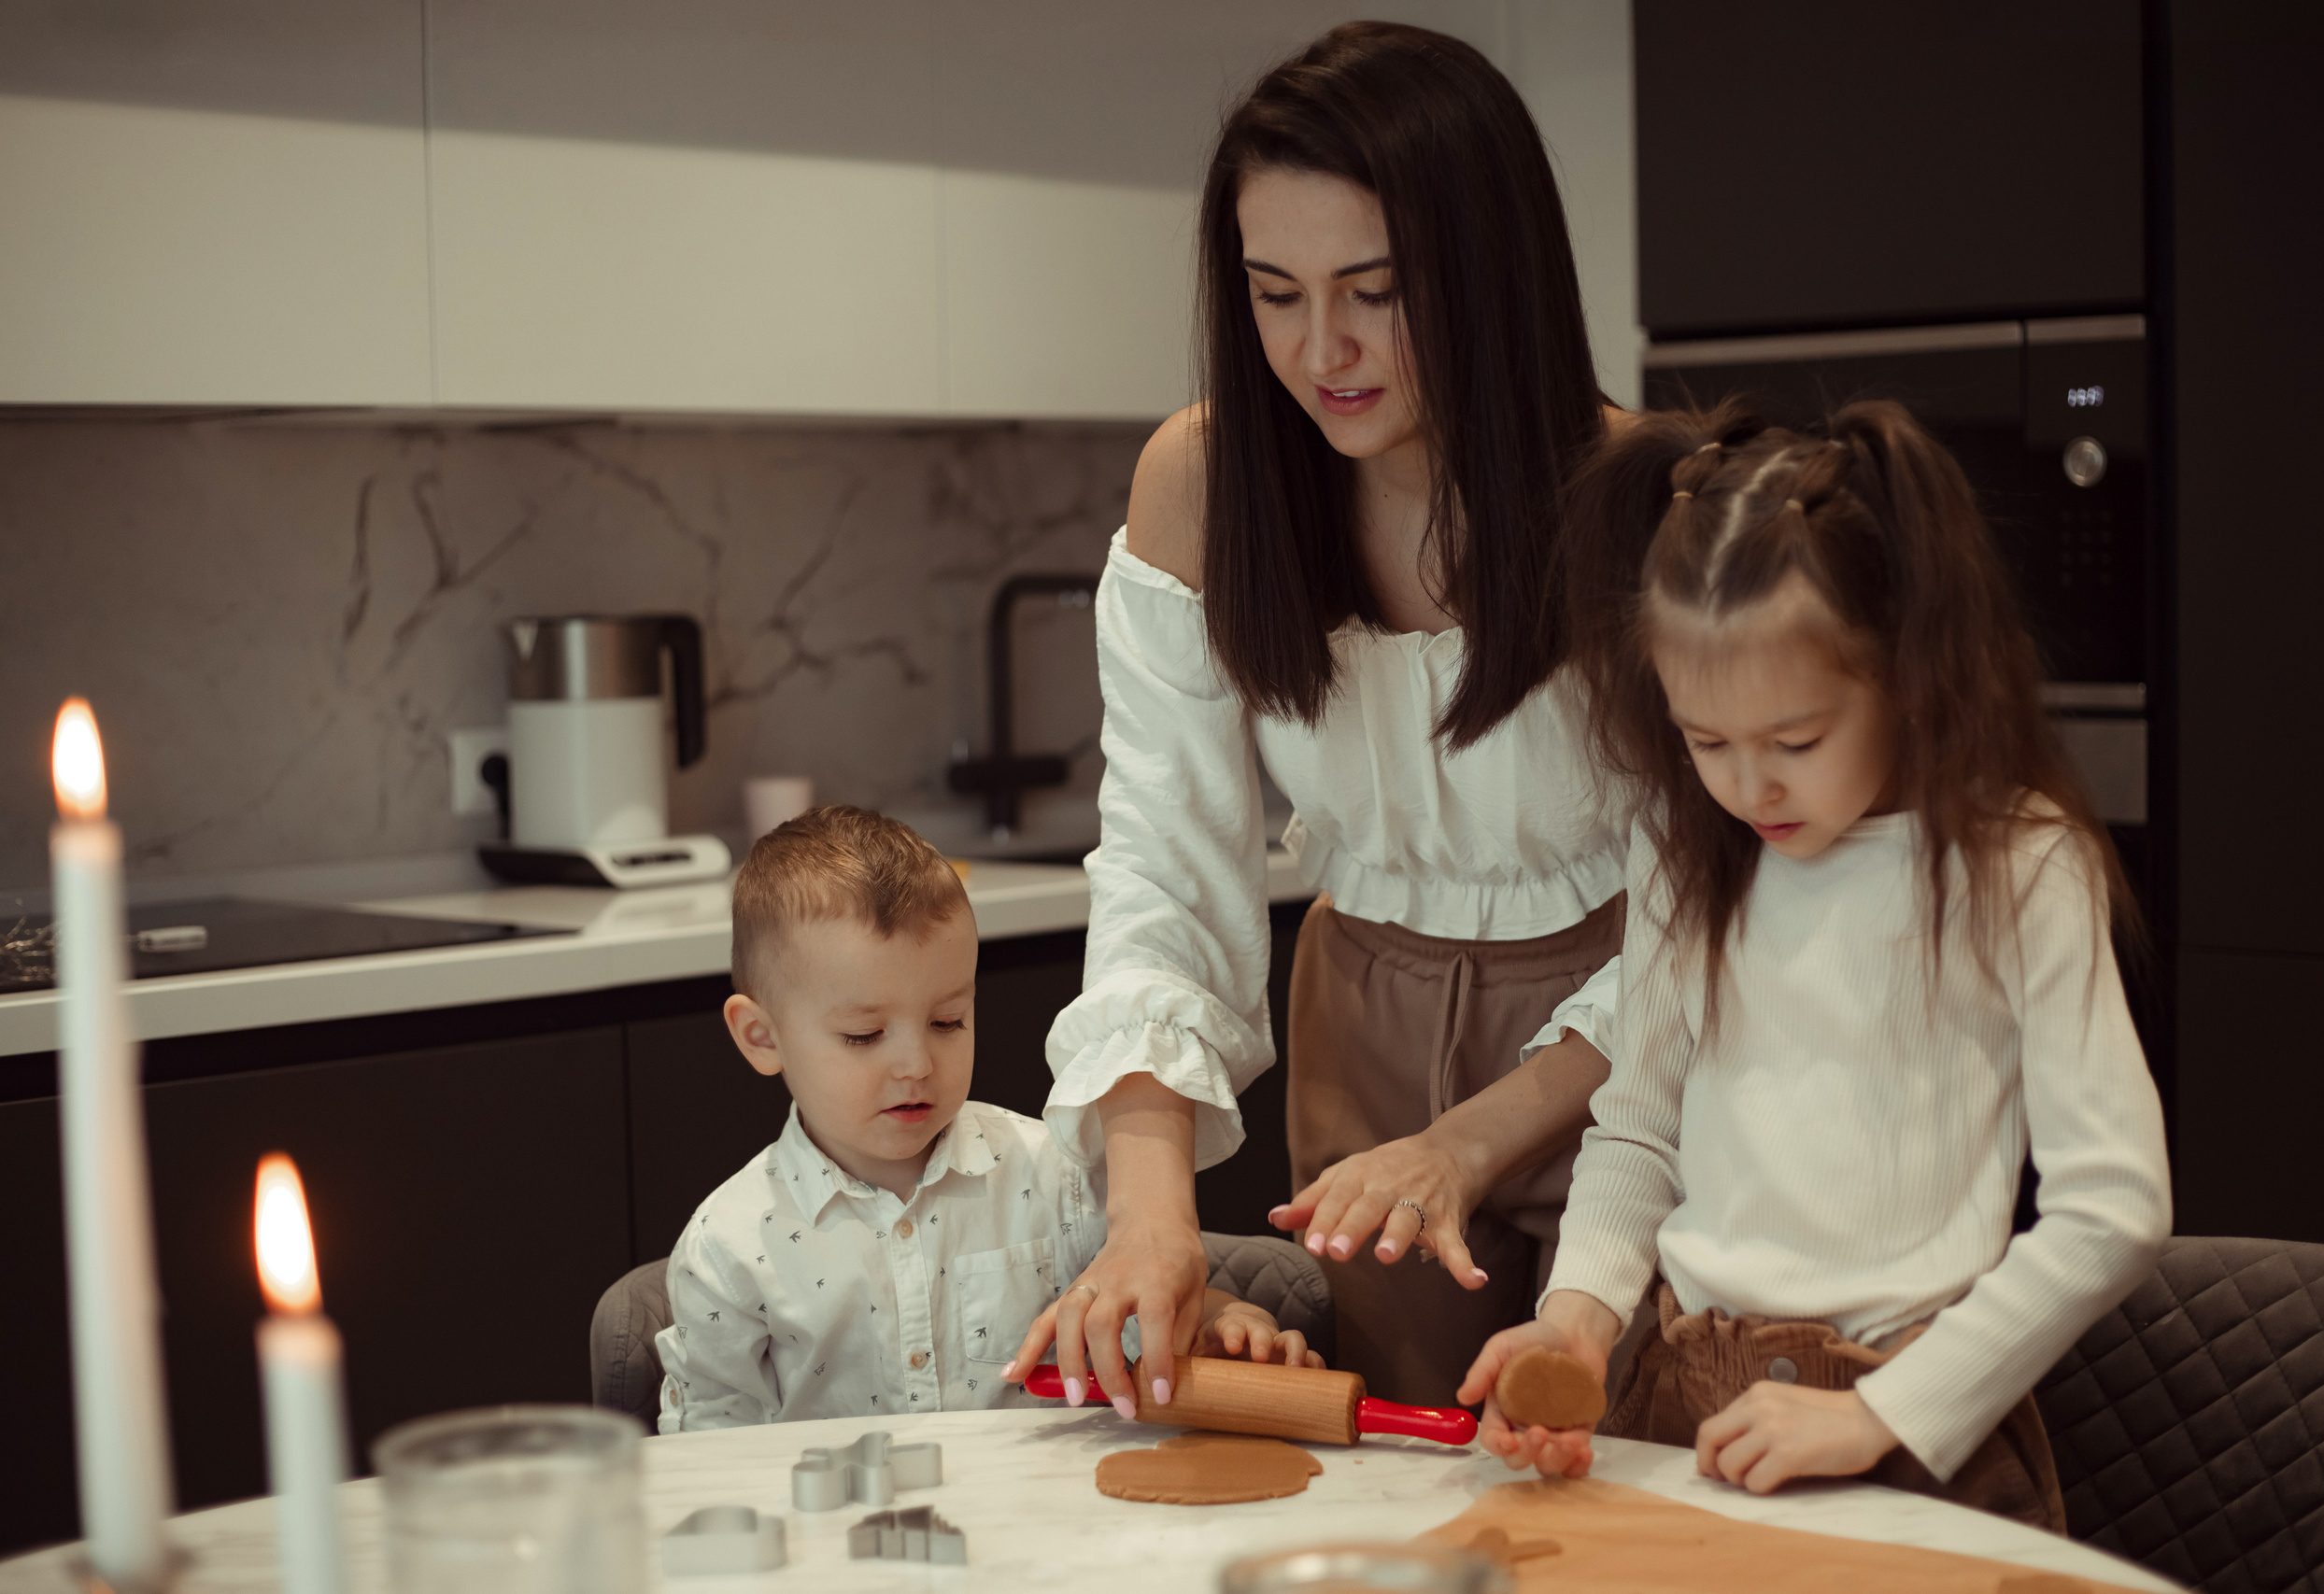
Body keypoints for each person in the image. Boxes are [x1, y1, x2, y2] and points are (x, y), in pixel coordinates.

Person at [1006, 20, 1633, 1413]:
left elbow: (1718, 919)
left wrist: (1469, 1142)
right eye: (1274, 293)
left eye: (1375, 289)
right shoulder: (1207, 481)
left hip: (1635, 1041)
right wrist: (1150, 1213)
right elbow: (1164, 862)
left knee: (1630, 1473)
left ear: (1488, 271)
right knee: (1416, 1468)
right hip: (1363, 1031)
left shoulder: (1635, 497)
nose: (1321, 349)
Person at [1459, 402, 2172, 1527]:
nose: (1751, 789)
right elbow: (1638, 1128)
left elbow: (2116, 1207)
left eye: (1794, 742)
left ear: (1907, 671)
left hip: (1903, 1421)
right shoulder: (1686, 851)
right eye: (1705, 743)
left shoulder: (2016, 865)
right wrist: (1579, 1320)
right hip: (1678, 1399)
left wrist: (1882, 1412)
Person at [657, 807, 1319, 1432]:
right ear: (761, 1036)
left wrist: (1231, 1325)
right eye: (864, 1034)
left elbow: (1158, 1304)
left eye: (948, 1021)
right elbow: (708, 1461)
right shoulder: (729, 1247)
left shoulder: (1055, 1173)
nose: (916, 1062)